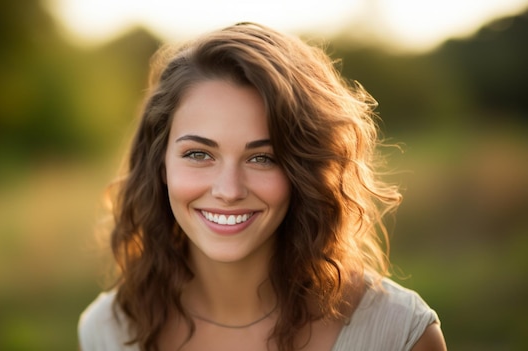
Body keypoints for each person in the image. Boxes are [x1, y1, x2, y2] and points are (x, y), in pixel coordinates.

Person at [78, 22, 447, 351]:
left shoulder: (398, 334)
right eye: (198, 154)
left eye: (263, 158)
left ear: (305, 171)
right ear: (160, 164)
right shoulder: (109, 331)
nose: (229, 190)